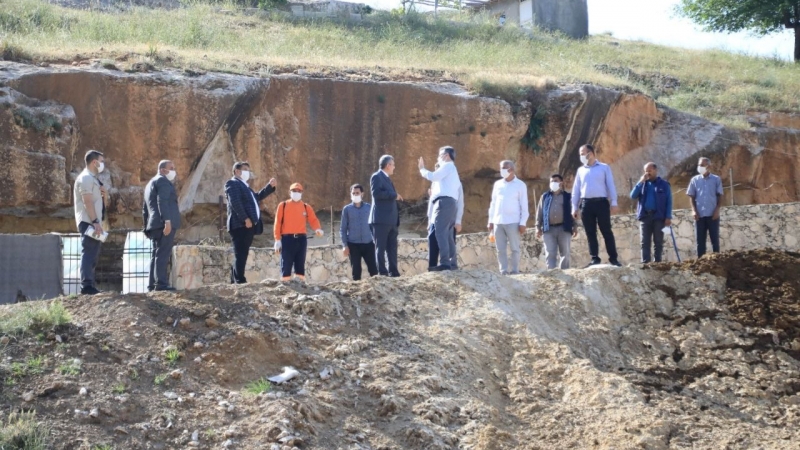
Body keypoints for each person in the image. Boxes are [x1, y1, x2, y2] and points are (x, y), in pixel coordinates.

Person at [225, 161, 276, 284]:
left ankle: (235, 279)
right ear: (237, 171)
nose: (248, 172)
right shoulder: (232, 183)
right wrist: (245, 219)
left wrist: (269, 187)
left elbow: (256, 197)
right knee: (241, 252)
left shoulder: (245, 187)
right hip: (240, 224)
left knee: (242, 252)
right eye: (245, 169)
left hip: (247, 225)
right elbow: (235, 202)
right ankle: (240, 280)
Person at [571, 144, 622, 267]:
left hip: (601, 203)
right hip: (586, 204)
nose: (581, 156)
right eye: (580, 154)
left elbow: (610, 185)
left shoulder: (604, 168)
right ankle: (594, 258)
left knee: (606, 231)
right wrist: (574, 207)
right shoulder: (580, 170)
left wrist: (614, 202)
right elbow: (576, 190)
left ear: (591, 153)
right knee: (590, 232)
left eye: (583, 153)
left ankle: (613, 258)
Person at [419, 146, 461, 271]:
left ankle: (444, 262)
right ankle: (452, 263)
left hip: (443, 203)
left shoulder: (448, 166)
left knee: (439, 232)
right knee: (447, 234)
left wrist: (422, 169)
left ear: (446, 155)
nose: (438, 158)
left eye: (440, 155)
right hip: (450, 203)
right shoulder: (453, 170)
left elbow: (433, 176)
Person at [142, 160, 181, 291]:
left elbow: (145, 208)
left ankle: (152, 284)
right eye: (171, 168)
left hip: (154, 224)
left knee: (156, 254)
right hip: (163, 224)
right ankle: (161, 284)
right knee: (163, 253)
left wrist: (146, 226)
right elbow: (162, 201)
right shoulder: (163, 181)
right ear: (163, 170)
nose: (174, 171)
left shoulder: (150, 184)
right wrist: (167, 221)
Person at [273, 183, 323, 282]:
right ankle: (285, 284)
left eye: (299, 191)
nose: (296, 193)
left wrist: (317, 228)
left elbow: (313, 219)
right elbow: (277, 223)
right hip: (287, 239)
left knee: (300, 263)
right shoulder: (283, 205)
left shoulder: (305, 207)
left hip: (301, 239)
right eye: (294, 191)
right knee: (286, 263)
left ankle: (300, 285)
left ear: (302, 193)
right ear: (289, 192)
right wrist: (277, 239)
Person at [73, 150, 107, 295]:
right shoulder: (86, 178)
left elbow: (101, 203)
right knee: (88, 252)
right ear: (94, 162)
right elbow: (87, 202)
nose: (102, 164)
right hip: (89, 222)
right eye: (101, 161)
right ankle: (86, 286)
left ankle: (89, 284)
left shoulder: (94, 179)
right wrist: (95, 222)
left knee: (93, 253)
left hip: (94, 221)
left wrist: (104, 194)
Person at [487, 160, 529, 275]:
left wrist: (523, 222)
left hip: (513, 221)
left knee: (515, 248)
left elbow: (524, 206)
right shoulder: (498, 184)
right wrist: (490, 221)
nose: (502, 170)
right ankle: (503, 271)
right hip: (498, 221)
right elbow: (493, 204)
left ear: (511, 169)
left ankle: (515, 270)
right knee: (500, 249)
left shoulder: (520, 185)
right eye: (501, 168)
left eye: (505, 168)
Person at [630, 162, 673, 263]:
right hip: (645, 216)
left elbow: (669, 201)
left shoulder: (664, 184)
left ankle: (657, 263)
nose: (647, 173)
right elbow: (632, 196)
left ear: (655, 170)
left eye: (649, 171)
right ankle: (645, 263)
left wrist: (668, 217)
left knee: (658, 242)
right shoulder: (642, 184)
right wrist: (640, 182)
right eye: (645, 171)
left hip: (659, 217)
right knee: (645, 242)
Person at [369, 155, 403, 277]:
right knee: (381, 248)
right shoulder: (376, 177)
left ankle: (393, 272)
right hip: (380, 220)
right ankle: (382, 272)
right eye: (393, 165)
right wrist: (394, 195)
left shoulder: (388, 179)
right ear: (388, 165)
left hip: (391, 220)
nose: (394, 167)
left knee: (392, 248)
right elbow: (377, 194)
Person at [536, 174, 576, 269]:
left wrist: (575, 226)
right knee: (550, 253)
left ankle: (565, 273)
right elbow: (540, 212)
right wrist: (537, 227)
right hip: (548, 228)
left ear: (561, 183)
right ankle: (552, 273)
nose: (553, 183)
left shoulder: (567, 196)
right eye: (551, 181)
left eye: (555, 181)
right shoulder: (544, 197)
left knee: (565, 253)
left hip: (564, 228)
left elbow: (573, 212)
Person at [687, 157, 723, 258]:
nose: (700, 167)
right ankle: (700, 263)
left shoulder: (716, 179)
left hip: (712, 215)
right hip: (700, 216)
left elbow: (719, 195)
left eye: (702, 165)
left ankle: (717, 261)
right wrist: (694, 211)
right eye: (699, 165)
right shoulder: (694, 180)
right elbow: (692, 196)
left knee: (714, 241)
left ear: (709, 166)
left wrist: (717, 211)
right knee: (700, 242)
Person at [340, 184, 378, 281]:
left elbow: (374, 226)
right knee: (356, 272)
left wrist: (376, 241)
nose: (355, 195)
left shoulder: (369, 208)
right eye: (353, 193)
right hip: (353, 245)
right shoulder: (347, 209)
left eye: (357, 193)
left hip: (368, 243)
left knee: (374, 271)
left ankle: (377, 293)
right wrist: (345, 245)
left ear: (362, 194)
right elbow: (343, 229)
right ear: (350, 194)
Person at [426, 180, 464, 270]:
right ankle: (432, 266)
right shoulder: (435, 182)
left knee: (449, 238)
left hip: (449, 215)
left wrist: (458, 220)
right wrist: (429, 220)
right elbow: (432, 202)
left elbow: (460, 202)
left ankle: (451, 264)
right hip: (434, 217)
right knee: (432, 239)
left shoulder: (455, 182)